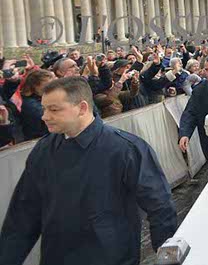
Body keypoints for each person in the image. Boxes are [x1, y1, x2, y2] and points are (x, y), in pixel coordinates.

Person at [0, 77, 177, 265]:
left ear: (82, 108)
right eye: (44, 109)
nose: (44, 116)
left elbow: (160, 206)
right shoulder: (43, 151)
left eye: (54, 109)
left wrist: (167, 257)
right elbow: (23, 215)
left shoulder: (126, 149)